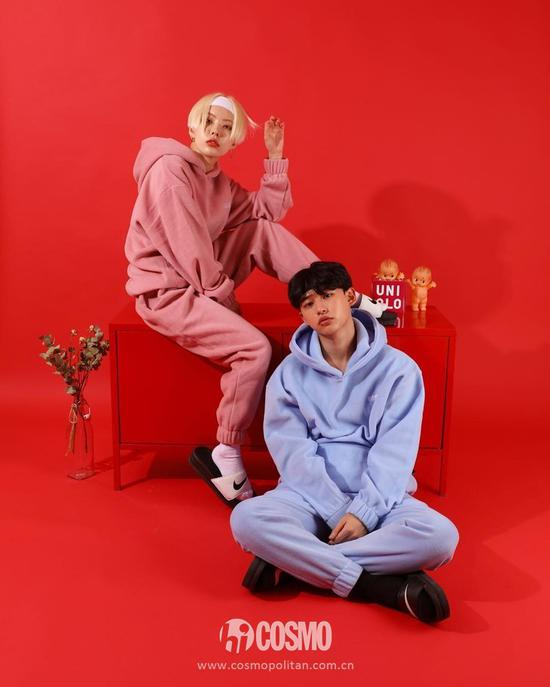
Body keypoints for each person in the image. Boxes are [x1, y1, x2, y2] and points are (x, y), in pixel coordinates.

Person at [125, 93, 386, 506]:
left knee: (260, 231)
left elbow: (264, 212)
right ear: (192, 126)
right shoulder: (168, 172)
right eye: (208, 122)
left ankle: (336, 293)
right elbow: (189, 250)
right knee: (254, 348)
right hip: (168, 292)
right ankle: (226, 454)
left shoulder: (216, 181)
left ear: (234, 141)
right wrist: (226, 302)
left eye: (226, 127)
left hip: (198, 278)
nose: (215, 131)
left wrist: (275, 158)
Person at [230, 261, 459, 623]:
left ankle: (297, 563)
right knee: (246, 520)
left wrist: (364, 513)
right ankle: (375, 586)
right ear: (302, 316)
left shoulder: (400, 369)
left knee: (440, 538)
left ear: (350, 297)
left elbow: (396, 451)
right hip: (306, 498)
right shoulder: (287, 375)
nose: (320, 308)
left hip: (381, 500)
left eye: (327, 296)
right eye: (308, 303)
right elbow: (292, 454)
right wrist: (339, 511)